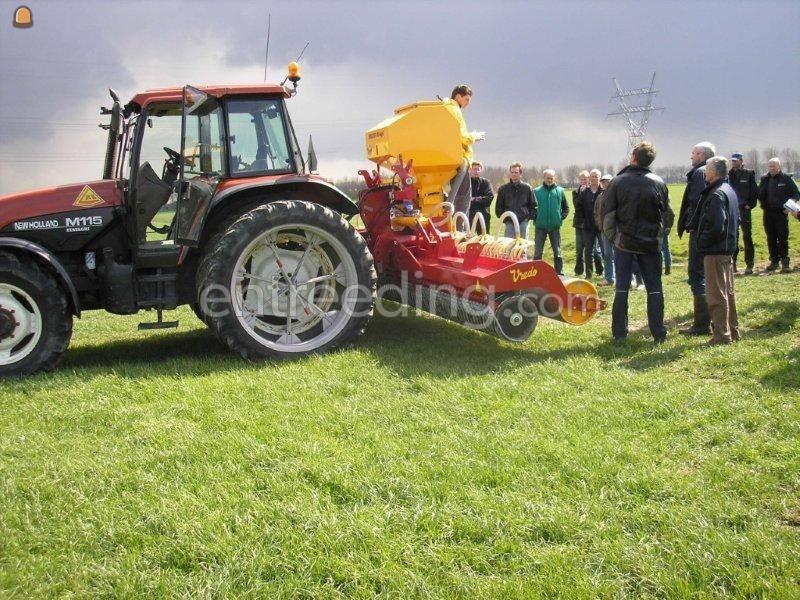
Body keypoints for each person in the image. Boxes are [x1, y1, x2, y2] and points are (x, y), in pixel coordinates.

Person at [601, 141, 673, 344]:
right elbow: (668, 216)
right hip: (650, 245)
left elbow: (607, 215)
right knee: (655, 288)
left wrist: (614, 239)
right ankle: (658, 332)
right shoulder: (659, 182)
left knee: (622, 289)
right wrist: (660, 236)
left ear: (633, 157)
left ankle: (619, 334)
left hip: (625, 244)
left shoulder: (618, 182)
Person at [693, 156, 740, 344]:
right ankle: (732, 331)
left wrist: (702, 243)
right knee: (727, 292)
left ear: (713, 171)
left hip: (716, 250)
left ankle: (721, 335)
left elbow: (716, 226)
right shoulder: (728, 189)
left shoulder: (716, 194)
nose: (705, 171)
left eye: (707, 168)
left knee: (716, 294)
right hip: (727, 248)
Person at [677, 141, 716, 336]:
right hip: (705, 231)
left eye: (693, 153)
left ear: (702, 155)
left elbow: (698, 203)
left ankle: (702, 323)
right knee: (704, 274)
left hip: (700, 232)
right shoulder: (706, 172)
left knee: (697, 274)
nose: (691, 156)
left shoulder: (700, 173)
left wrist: (691, 224)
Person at [444, 85, 485, 223]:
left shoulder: (446, 108)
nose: (468, 103)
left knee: (455, 196)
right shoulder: (454, 110)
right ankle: (460, 229)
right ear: (458, 96)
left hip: (450, 158)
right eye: (466, 99)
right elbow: (462, 138)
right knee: (463, 198)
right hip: (460, 160)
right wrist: (475, 136)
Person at [758, 157, 800, 272]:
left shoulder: (786, 178)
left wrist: (789, 207)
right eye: (770, 166)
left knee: (782, 238)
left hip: (781, 213)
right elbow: (759, 194)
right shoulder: (764, 179)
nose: (771, 168)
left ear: (779, 166)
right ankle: (774, 261)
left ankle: (785, 263)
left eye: (774, 166)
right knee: (770, 238)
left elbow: (796, 194)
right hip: (768, 213)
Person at [533, 169, 569, 275]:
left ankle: (559, 272)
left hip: (555, 227)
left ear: (554, 178)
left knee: (557, 251)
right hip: (540, 226)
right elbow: (531, 207)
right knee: (538, 252)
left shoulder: (560, 191)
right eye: (548, 178)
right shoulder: (536, 191)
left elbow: (566, 207)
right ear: (543, 178)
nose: (549, 180)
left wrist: (560, 218)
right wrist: (535, 217)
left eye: (551, 178)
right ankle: (535, 273)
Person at [727, 152, 758, 275]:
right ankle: (733, 263)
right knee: (733, 235)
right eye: (732, 161)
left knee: (747, 236)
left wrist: (750, 205)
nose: (734, 162)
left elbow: (754, 191)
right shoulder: (728, 174)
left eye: (736, 160)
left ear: (741, 161)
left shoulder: (748, 174)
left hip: (744, 209)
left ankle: (749, 264)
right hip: (732, 209)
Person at [574, 169, 604, 279]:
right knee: (588, 251)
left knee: (604, 251)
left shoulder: (604, 192)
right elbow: (578, 207)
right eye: (592, 176)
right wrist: (584, 221)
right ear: (589, 178)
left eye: (596, 176)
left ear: (600, 178)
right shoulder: (584, 193)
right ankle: (589, 275)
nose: (594, 178)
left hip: (601, 227)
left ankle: (608, 275)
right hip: (588, 226)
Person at [495, 162, 536, 238]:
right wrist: (506, 220)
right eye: (512, 172)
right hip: (509, 223)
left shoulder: (527, 188)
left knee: (522, 244)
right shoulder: (503, 189)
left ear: (520, 173)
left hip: (523, 222)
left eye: (516, 172)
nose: (514, 174)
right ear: (510, 173)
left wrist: (528, 218)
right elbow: (498, 208)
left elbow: (534, 205)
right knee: (509, 243)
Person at [595, 173, 615, 287]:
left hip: (617, 230)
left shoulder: (618, 194)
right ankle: (609, 278)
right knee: (607, 255)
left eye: (608, 182)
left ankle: (626, 278)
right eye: (603, 182)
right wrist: (600, 225)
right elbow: (596, 212)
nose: (605, 184)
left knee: (620, 255)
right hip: (604, 231)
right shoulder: (599, 197)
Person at [468, 161, 494, 233]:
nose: (476, 171)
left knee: (484, 238)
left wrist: (473, 199)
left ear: (481, 171)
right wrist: (481, 199)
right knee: (468, 237)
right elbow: (464, 199)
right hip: (469, 216)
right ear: (470, 170)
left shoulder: (485, 183)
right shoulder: (466, 183)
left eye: (478, 169)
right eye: (474, 169)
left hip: (483, 216)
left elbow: (489, 198)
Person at [572, 170, 589, 275]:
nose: (583, 181)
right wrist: (581, 194)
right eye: (582, 179)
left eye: (585, 179)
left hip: (589, 224)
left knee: (589, 249)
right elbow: (577, 206)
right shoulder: (575, 192)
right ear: (579, 180)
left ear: (588, 180)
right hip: (578, 223)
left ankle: (589, 271)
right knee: (579, 249)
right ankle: (578, 271)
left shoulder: (591, 191)